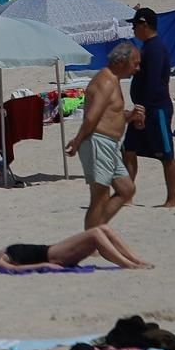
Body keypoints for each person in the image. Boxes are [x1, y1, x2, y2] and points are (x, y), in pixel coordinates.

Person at [68, 40, 138, 229]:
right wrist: (77, 141)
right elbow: (92, 117)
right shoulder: (106, 81)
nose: (137, 69)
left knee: (126, 189)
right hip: (98, 142)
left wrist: (129, 116)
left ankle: (96, 232)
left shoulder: (113, 80)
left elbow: (110, 114)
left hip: (109, 144)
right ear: (122, 62)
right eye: (135, 63)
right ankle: (92, 239)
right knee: (99, 197)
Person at [121, 8, 175, 207]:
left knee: (166, 154)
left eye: (134, 25)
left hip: (156, 109)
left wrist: (142, 112)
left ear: (144, 24)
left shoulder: (155, 49)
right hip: (142, 108)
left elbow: (154, 83)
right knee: (128, 149)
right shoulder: (147, 47)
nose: (133, 29)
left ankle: (171, 200)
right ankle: (127, 196)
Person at [0, 227, 152, 271]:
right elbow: (15, 270)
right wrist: (45, 266)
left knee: (103, 229)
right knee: (95, 234)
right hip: (54, 255)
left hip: (54, 250)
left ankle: (135, 260)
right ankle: (127, 264)